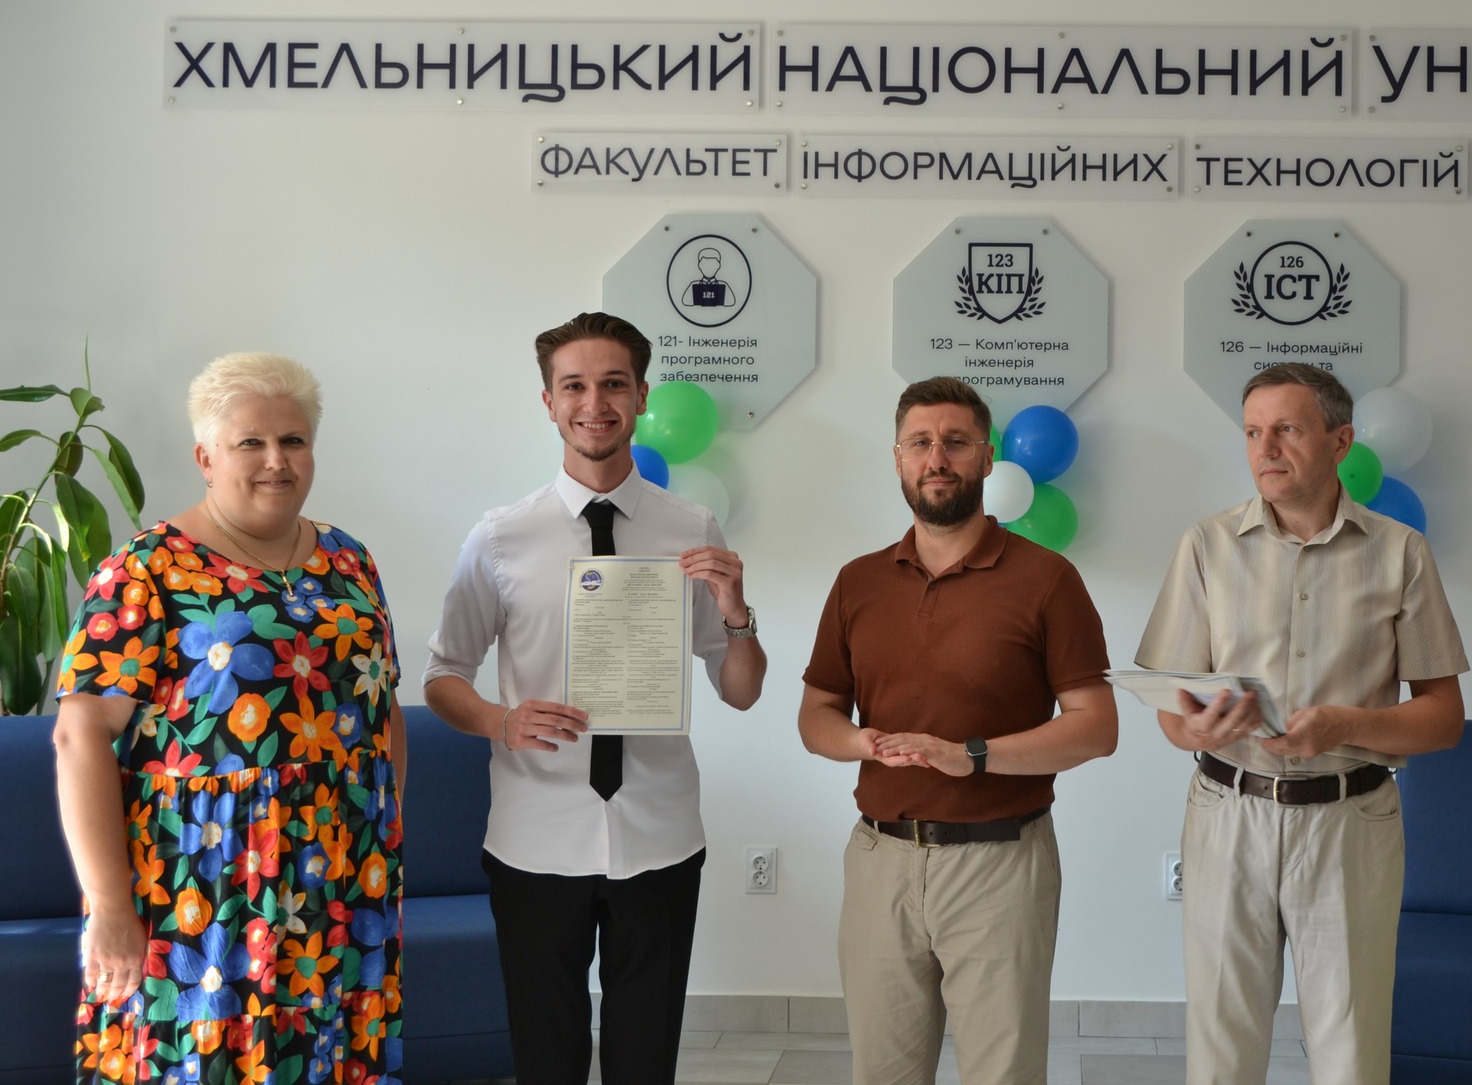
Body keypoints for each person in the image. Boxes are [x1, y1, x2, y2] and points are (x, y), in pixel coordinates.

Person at [421, 312, 766, 1085]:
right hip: (535, 835)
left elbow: (741, 690)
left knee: (646, 1060)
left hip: (660, 833)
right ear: (549, 402)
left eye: (614, 384)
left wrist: (738, 613)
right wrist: (500, 719)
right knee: (547, 1058)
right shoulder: (501, 537)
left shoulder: (692, 528)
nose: (594, 403)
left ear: (642, 396)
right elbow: (443, 674)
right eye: (574, 386)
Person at [52, 351, 404, 1085]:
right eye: (251, 442)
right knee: (203, 1059)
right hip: (203, 881)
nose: (277, 460)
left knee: (326, 1057)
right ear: (206, 457)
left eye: (293, 440)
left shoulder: (350, 560)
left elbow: (382, 704)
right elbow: (79, 735)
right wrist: (109, 902)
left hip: (341, 875)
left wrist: (383, 829)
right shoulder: (146, 569)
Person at [1135, 363, 1468, 1085]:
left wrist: (1347, 725)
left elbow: (1444, 719)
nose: (1265, 448)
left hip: (1351, 821)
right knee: (1222, 1051)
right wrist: (1196, 731)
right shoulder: (1206, 544)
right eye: (1253, 431)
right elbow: (1172, 709)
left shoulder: (1401, 552)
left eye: (1287, 429)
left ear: (1340, 441)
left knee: (1350, 1051)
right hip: (1227, 813)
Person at [798, 377, 1116, 1085]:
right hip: (880, 860)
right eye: (920, 442)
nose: (936, 457)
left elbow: (1097, 728)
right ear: (898, 457)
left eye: (956, 441)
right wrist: (861, 742)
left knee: (1002, 1074)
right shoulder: (858, 581)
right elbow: (816, 716)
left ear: (987, 456)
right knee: (882, 1074)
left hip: (1000, 865)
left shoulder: (1048, 579)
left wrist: (972, 755)